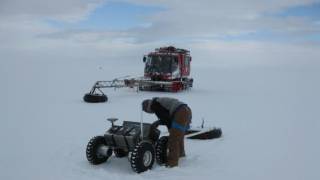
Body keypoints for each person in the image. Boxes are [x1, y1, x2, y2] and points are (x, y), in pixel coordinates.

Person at [142, 97, 192, 167]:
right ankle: (180, 154)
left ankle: (172, 163)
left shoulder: (155, 105)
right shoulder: (158, 101)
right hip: (187, 110)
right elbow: (167, 117)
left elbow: (166, 119)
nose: (150, 113)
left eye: (147, 111)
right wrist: (160, 122)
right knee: (178, 136)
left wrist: (158, 123)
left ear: (148, 108)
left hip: (180, 112)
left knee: (173, 139)